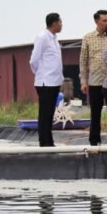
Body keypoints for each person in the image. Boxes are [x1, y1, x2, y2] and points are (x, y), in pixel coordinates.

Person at [30, 13, 64, 147]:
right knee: (44, 114)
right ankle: (44, 142)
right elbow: (33, 60)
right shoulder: (42, 37)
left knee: (50, 113)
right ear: (54, 23)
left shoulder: (54, 38)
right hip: (45, 81)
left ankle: (49, 141)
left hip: (55, 81)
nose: (62, 25)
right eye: (60, 22)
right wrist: (41, 74)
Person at [79, 10, 107, 146]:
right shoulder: (88, 37)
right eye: (104, 20)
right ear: (97, 21)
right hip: (95, 81)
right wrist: (83, 81)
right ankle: (94, 141)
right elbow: (83, 61)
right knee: (95, 113)